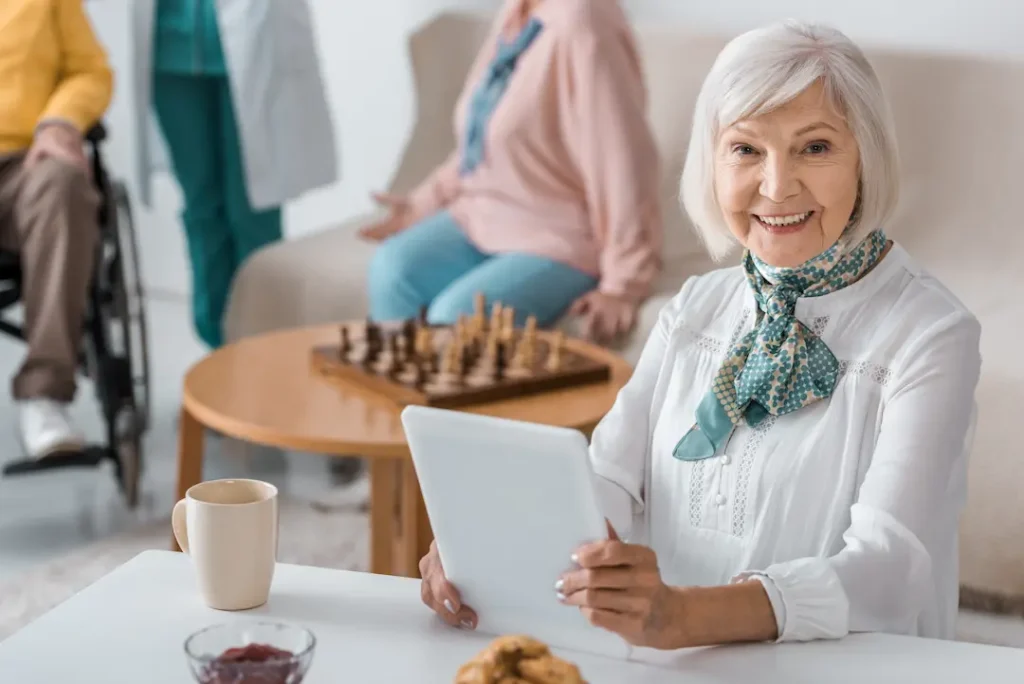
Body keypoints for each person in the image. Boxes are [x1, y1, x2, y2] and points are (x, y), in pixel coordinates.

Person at [418, 20, 983, 648]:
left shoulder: (931, 335)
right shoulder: (695, 307)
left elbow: (888, 571)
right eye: (745, 149)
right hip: (678, 664)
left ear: (867, 155)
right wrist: (497, 542)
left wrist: (686, 618)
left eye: (815, 147)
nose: (776, 185)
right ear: (711, 163)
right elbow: (608, 478)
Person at [362, 0, 662, 344]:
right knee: (391, 269)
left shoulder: (586, 22)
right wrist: (422, 204)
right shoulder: (519, 12)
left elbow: (623, 162)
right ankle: (398, 396)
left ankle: (439, 398)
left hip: (558, 236)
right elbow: (481, 139)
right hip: (483, 216)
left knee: (458, 317)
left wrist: (624, 286)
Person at [129, 0, 338, 349]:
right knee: (201, 208)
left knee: (253, 210)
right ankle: (216, 343)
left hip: (254, 45)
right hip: (169, 51)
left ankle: (266, 343)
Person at [0, 0, 113, 458]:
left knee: (64, 183)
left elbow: (90, 70)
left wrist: (59, 122)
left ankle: (44, 393)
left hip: (27, 165)